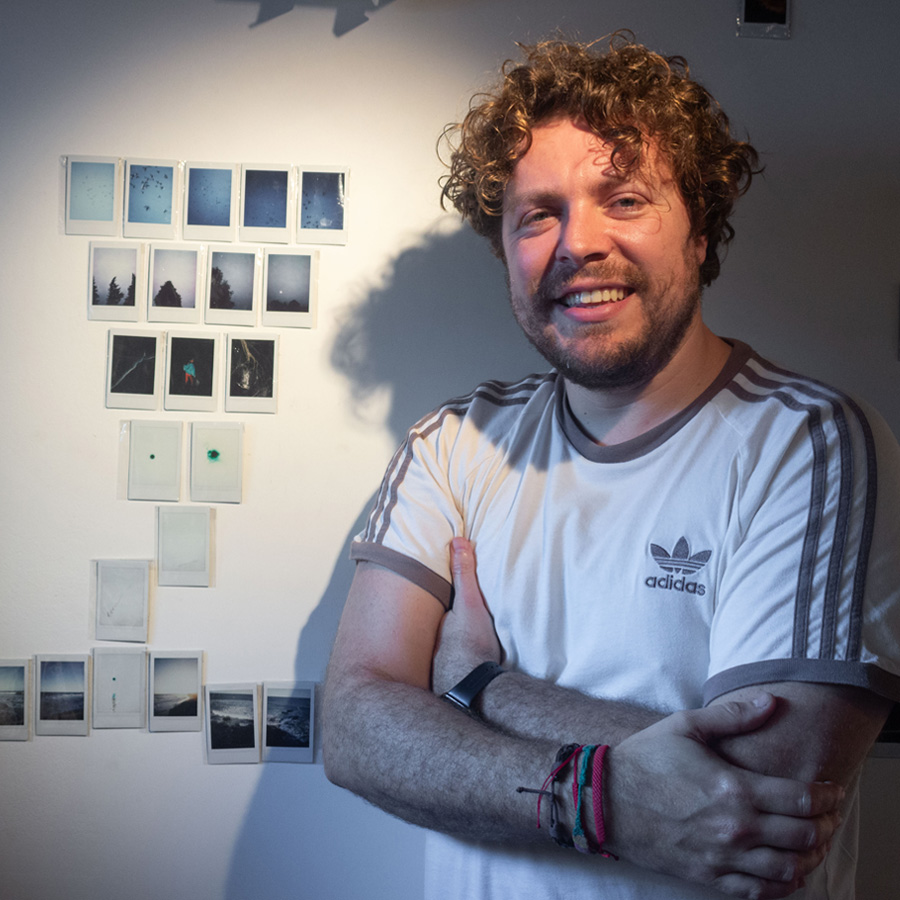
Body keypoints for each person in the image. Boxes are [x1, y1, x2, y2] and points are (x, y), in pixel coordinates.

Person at [323, 35, 900, 900]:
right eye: (538, 215)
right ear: (506, 250)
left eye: (624, 200)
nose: (578, 243)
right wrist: (606, 801)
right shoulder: (452, 442)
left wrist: (482, 685)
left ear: (699, 233)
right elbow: (354, 728)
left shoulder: (809, 442)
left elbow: (763, 793)